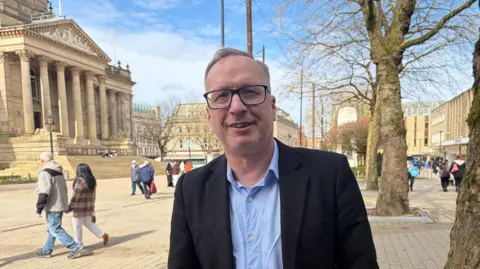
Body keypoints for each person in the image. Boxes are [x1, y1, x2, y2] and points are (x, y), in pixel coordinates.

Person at [168, 48, 378, 268]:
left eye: (250, 91)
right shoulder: (190, 189)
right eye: (222, 96)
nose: (237, 107)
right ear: (209, 116)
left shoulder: (330, 175)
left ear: (272, 106)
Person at [35, 152, 83, 259]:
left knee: (55, 229)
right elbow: (64, 189)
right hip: (60, 203)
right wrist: (65, 204)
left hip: (53, 205)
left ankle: (75, 246)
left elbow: (44, 192)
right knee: (51, 228)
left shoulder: (45, 172)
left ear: (42, 161)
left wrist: (39, 208)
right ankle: (47, 250)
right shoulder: (58, 171)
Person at [66, 163, 109, 246]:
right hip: (88, 207)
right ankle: (102, 234)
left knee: (77, 225)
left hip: (79, 208)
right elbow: (93, 196)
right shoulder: (92, 180)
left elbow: (75, 196)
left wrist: (69, 207)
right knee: (88, 223)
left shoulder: (79, 181)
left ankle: (78, 243)